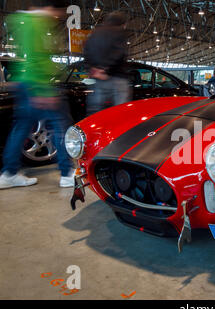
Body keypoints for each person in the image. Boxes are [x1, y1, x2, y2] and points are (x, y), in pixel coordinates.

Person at [0, 1, 74, 190]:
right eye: (57, 11)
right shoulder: (37, 23)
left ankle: (9, 173)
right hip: (37, 83)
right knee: (60, 124)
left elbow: (21, 56)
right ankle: (67, 173)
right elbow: (36, 57)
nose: (57, 15)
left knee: (20, 128)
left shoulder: (18, 19)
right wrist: (42, 91)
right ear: (50, 7)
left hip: (23, 82)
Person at [84, 11, 131, 115]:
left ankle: (95, 130)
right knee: (120, 112)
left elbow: (86, 52)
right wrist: (104, 69)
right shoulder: (120, 32)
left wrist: (93, 70)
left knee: (96, 111)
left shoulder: (95, 33)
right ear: (122, 23)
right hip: (117, 78)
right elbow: (119, 53)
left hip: (98, 79)